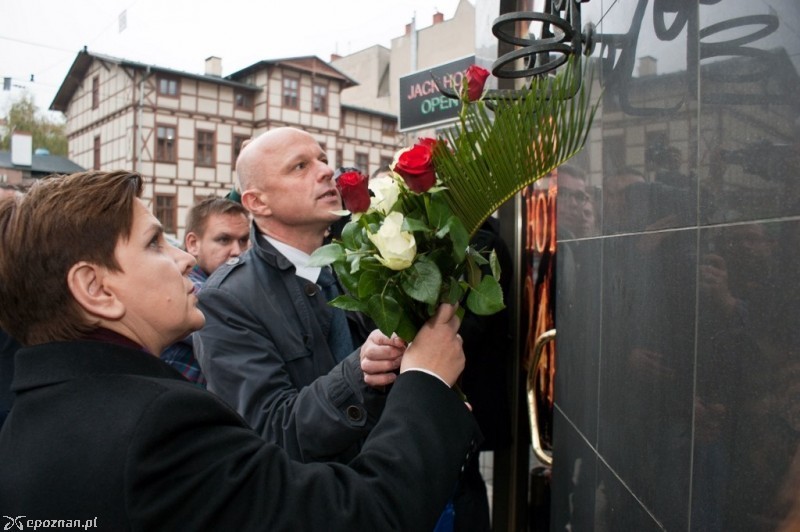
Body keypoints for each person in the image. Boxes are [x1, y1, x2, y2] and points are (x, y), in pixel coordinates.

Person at [0, 170, 480, 531]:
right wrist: (427, 382)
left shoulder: (34, 415)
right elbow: (360, 516)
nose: (184, 258)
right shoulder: (159, 427)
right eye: (152, 243)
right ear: (94, 287)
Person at [195, 127, 405, 463]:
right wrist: (360, 370)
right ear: (257, 202)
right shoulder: (225, 300)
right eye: (300, 166)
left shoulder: (360, 266)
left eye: (323, 159)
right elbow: (271, 432)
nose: (326, 171)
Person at [160, 196, 250, 386]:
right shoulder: (189, 289)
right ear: (193, 243)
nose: (237, 251)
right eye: (224, 240)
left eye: (243, 240)